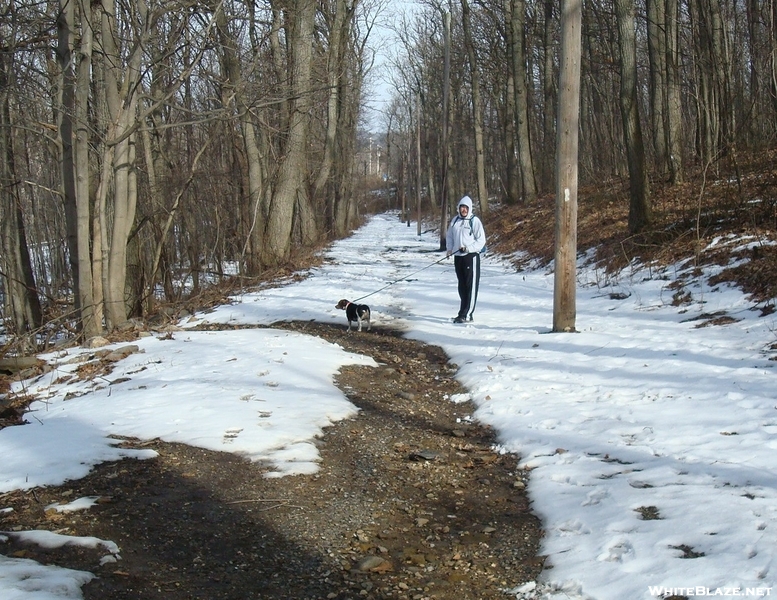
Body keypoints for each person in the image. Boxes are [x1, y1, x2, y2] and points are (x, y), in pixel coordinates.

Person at [445, 195, 486, 323]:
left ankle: (468, 314)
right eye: (462, 207)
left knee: (470, 286)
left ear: (469, 208)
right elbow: (450, 236)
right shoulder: (455, 221)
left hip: (470, 257)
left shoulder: (475, 221)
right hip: (458, 257)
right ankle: (462, 313)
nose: (463, 210)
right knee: (461, 286)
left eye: (466, 208)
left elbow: (481, 241)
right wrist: (450, 249)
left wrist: (468, 248)